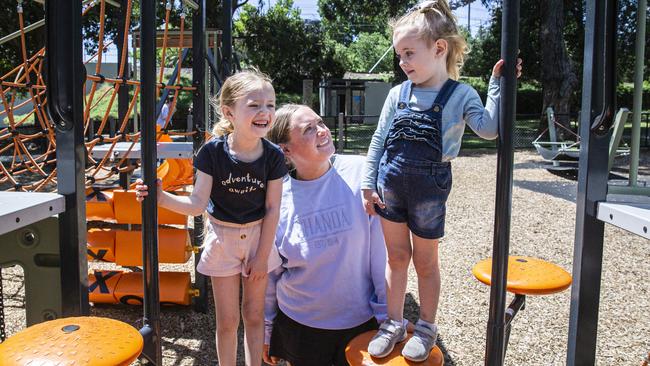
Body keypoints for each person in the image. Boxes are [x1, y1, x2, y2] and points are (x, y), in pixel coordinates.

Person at [361, 0, 523, 362]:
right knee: (396, 257)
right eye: (399, 55)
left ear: (438, 49)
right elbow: (378, 140)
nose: (403, 63)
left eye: (408, 53)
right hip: (390, 186)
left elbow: (489, 129)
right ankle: (393, 323)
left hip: (429, 191)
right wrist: (367, 185)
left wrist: (498, 84)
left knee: (426, 263)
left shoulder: (460, 94)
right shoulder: (397, 94)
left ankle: (426, 327)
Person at [135, 69, 287, 366]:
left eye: (270, 104)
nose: (265, 112)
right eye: (254, 105)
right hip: (223, 239)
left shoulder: (273, 156)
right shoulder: (212, 153)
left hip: (259, 237)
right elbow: (196, 204)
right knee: (228, 321)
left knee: (254, 316)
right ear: (229, 112)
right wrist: (161, 197)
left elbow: (272, 210)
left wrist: (262, 256)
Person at [262, 104, 388, 366]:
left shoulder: (362, 174)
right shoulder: (277, 199)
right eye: (309, 129)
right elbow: (271, 275)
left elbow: (381, 258)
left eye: (320, 122)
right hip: (299, 325)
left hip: (360, 321)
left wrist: (387, 318)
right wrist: (267, 329)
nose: (322, 131)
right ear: (286, 149)